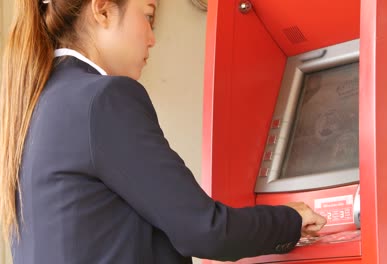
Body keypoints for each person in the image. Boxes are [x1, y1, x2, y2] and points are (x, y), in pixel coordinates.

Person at [0, 0, 327, 263]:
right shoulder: (104, 98)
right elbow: (206, 231)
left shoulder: (35, 105)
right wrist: (291, 220)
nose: (152, 38)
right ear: (101, 10)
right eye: (148, 16)